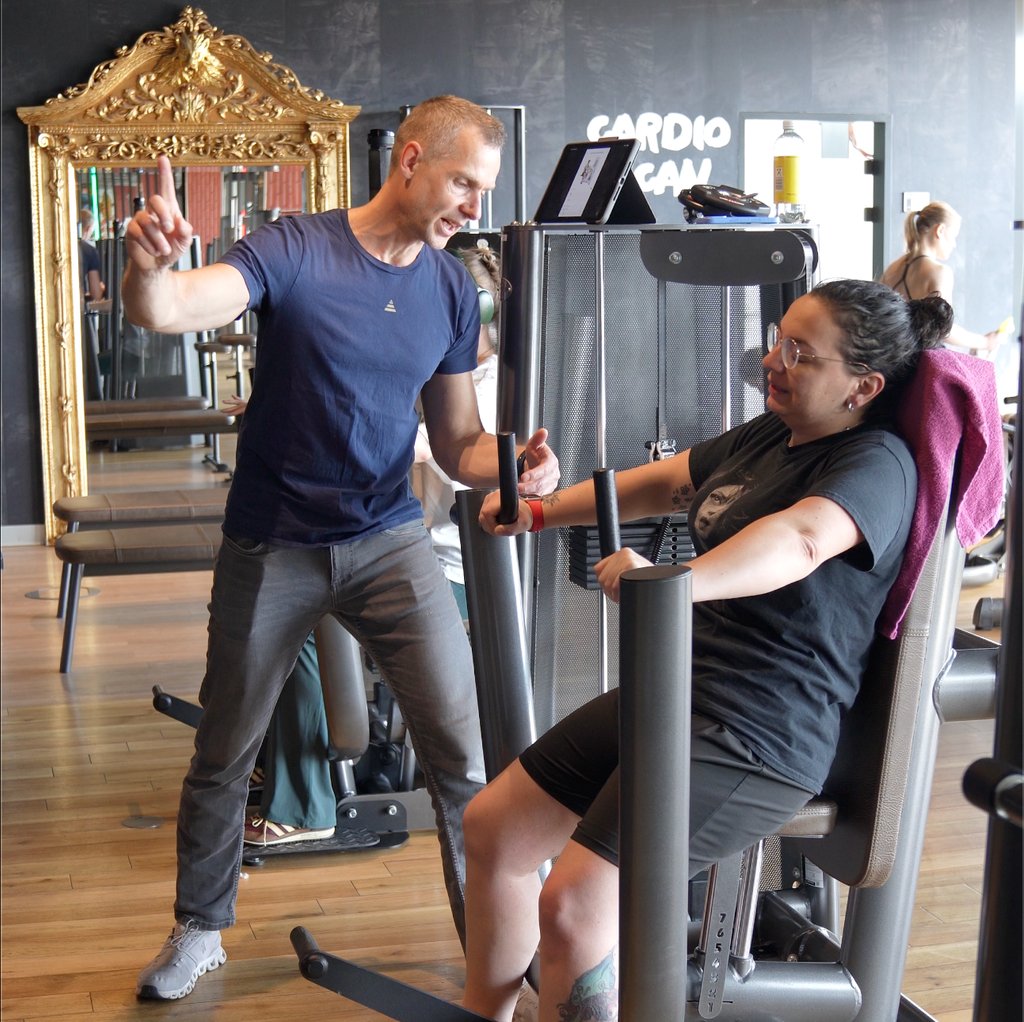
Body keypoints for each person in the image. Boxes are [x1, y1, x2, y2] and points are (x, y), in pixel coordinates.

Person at [123, 95, 560, 1001]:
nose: (475, 206)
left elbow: (458, 446)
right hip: (272, 542)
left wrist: (514, 461)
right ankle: (200, 928)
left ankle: (494, 959)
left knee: (463, 759)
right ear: (411, 160)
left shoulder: (448, 290)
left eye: (484, 190)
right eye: (463, 183)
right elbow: (175, 308)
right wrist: (152, 271)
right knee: (226, 748)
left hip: (387, 539)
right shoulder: (296, 248)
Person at [461, 279, 952, 1022]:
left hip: (758, 734)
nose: (773, 361)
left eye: (801, 353)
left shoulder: (876, 464)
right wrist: (536, 511)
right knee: (494, 828)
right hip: (681, 695)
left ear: (864, 386)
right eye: (778, 340)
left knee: (572, 908)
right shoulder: (769, 435)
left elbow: (801, 539)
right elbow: (664, 483)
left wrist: (672, 584)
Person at [241, 241, 505, 848]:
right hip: (406, 552)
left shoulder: (490, 389)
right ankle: (282, 765)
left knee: (304, 627)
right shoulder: (438, 370)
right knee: (287, 603)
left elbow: (432, 448)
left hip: (456, 578)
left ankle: (303, 806)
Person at [880, 201, 1000, 355]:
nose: (954, 244)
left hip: (891, 360)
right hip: (919, 364)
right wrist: (986, 342)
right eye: (954, 236)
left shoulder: (893, 268)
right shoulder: (939, 272)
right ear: (940, 230)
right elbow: (944, 330)